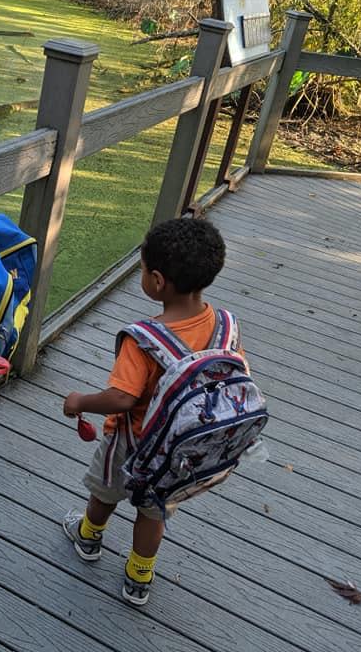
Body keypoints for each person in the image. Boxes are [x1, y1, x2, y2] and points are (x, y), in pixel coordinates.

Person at [61, 217, 239, 606]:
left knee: (105, 491)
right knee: (154, 511)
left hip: (132, 441)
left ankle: (89, 537)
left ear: (157, 281)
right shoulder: (225, 326)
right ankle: (139, 575)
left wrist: (81, 401)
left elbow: (122, 398)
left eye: (142, 270)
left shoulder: (144, 340)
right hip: (179, 451)